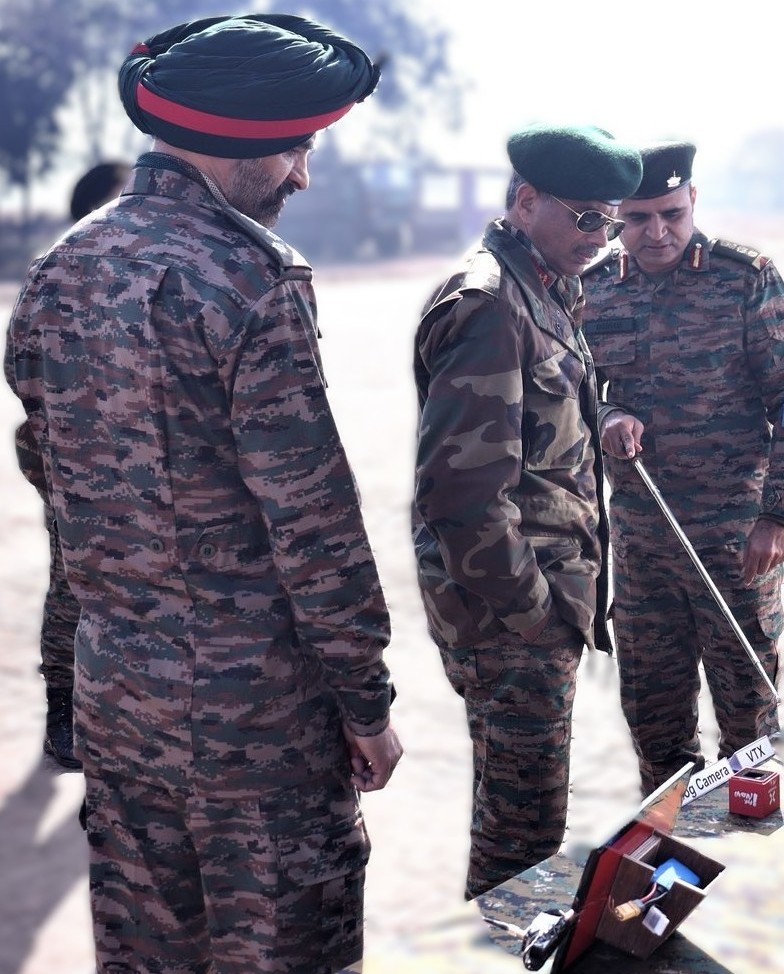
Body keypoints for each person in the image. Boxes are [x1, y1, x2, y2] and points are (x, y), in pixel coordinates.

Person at [4, 14, 403, 972]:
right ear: (239, 143)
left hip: (119, 705)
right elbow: (313, 524)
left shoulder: (57, 274)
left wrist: (70, 682)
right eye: (299, 146)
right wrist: (367, 704)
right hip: (254, 731)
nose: (303, 173)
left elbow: (63, 502)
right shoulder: (253, 277)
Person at [412, 123, 641, 899]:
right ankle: (505, 950)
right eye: (585, 217)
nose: (601, 236)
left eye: (609, 220)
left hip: (537, 603)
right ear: (524, 200)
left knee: (528, 822)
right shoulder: (490, 306)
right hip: (509, 615)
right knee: (522, 840)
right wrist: (536, 613)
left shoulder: (542, 287)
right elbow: (464, 496)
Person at [582, 140, 784, 795]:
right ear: (614, 220)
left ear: (693, 203)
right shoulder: (593, 290)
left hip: (733, 538)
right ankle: (672, 847)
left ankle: (751, 850)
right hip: (641, 540)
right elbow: (570, 398)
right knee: (655, 722)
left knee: (748, 721)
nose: (656, 232)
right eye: (637, 219)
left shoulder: (743, 278)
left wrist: (779, 515)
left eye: (671, 214)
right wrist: (605, 419)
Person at [15, 159, 129, 771]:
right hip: (67, 445)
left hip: (131, 450)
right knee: (72, 572)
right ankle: (64, 704)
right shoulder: (58, 272)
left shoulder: (142, 268)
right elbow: (23, 367)